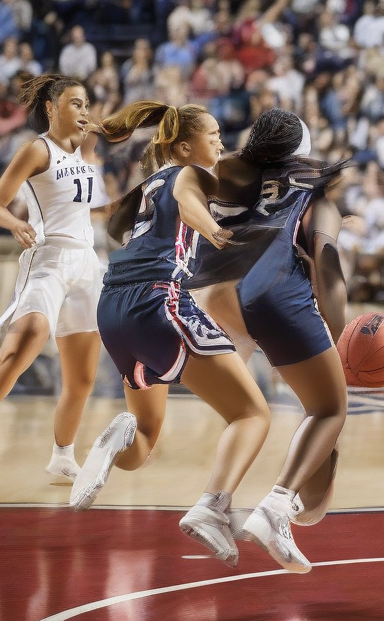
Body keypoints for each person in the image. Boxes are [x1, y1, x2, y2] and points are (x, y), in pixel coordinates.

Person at [69, 102, 270, 570]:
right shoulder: (189, 174)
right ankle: (212, 508)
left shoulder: (148, 185)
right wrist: (215, 231)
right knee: (252, 414)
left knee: (143, 442)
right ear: (184, 146)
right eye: (214, 134)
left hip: (113, 309)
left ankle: (114, 442)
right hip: (157, 302)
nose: (220, 142)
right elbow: (190, 203)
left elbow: (121, 224)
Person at [185, 109, 353, 572]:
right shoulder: (317, 192)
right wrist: (337, 343)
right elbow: (329, 268)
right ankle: (276, 507)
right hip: (271, 291)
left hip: (211, 294)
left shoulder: (231, 175)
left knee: (247, 413)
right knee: (330, 409)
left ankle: (212, 503)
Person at [0, 74, 107, 481]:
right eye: (74, 104)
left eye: (86, 104)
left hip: (87, 265)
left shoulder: (87, 150)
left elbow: (96, 206)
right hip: (47, 258)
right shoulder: (36, 148)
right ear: (51, 107)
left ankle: (62, 454)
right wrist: (15, 223)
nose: (83, 111)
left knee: (81, 379)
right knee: (27, 342)